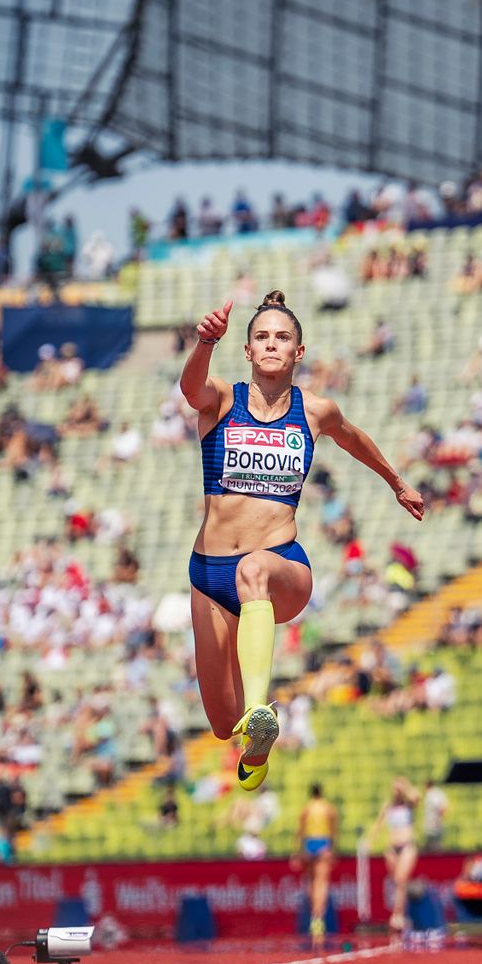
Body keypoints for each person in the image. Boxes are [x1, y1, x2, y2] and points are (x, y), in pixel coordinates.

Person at [180, 291, 423, 792]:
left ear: (299, 351)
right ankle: (253, 744)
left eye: (283, 337)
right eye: (262, 338)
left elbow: (353, 438)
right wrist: (205, 342)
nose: (272, 345)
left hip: (280, 565)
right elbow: (190, 390)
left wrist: (396, 482)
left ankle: (260, 711)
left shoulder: (315, 412)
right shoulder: (224, 399)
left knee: (255, 570)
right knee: (221, 723)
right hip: (208, 574)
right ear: (247, 351)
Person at [371, 777, 422, 933]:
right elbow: (378, 824)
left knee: (401, 879)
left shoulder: (408, 804)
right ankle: (401, 913)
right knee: (396, 882)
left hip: (407, 845)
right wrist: (371, 840)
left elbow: (417, 796)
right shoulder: (389, 806)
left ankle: (397, 915)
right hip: (392, 847)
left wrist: (405, 787)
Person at [292, 782, 339, 943]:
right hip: (323, 842)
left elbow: (300, 830)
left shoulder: (307, 808)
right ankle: (318, 917)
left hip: (309, 843)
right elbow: (333, 829)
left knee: (311, 882)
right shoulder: (328, 808)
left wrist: (297, 851)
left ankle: (314, 915)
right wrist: (332, 848)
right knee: (321, 881)